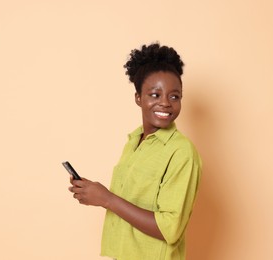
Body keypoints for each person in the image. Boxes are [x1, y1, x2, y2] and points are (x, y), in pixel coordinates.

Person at [68, 43, 202, 260]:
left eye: (174, 96)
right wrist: (92, 193)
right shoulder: (134, 141)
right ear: (138, 97)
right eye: (155, 94)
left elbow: (170, 229)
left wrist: (107, 199)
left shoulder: (182, 152)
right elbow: (130, 203)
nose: (166, 103)